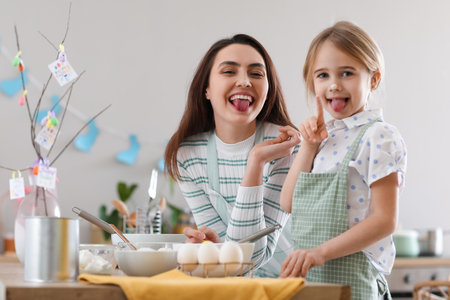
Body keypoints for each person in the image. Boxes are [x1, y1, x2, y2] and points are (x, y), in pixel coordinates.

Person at [279, 21, 407, 299]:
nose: (334, 85)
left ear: (373, 79)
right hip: (310, 279)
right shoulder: (321, 141)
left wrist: (319, 253)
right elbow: (288, 203)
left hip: (354, 283)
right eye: (322, 75)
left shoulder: (379, 136)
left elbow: (386, 220)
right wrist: (308, 149)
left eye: (346, 73)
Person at [164, 34, 299, 277]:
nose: (245, 82)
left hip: (294, 289)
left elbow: (251, 255)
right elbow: (232, 259)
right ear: (206, 89)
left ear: (268, 90)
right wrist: (214, 248)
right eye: (229, 71)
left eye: (256, 74)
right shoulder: (188, 156)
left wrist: (256, 161)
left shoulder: (288, 148)